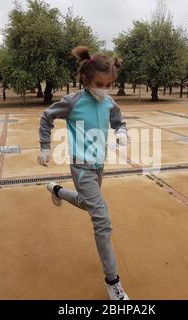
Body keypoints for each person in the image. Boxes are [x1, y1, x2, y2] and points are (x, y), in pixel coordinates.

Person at [38, 46, 130, 300]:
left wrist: (121, 131)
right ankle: (113, 282)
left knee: (84, 203)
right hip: (81, 167)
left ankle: (55, 189)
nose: (105, 89)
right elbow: (47, 117)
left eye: (109, 84)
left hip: (99, 165)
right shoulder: (73, 102)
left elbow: (118, 119)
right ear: (86, 80)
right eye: (100, 84)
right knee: (101, 219)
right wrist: (45, 147)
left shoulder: (108, 101)